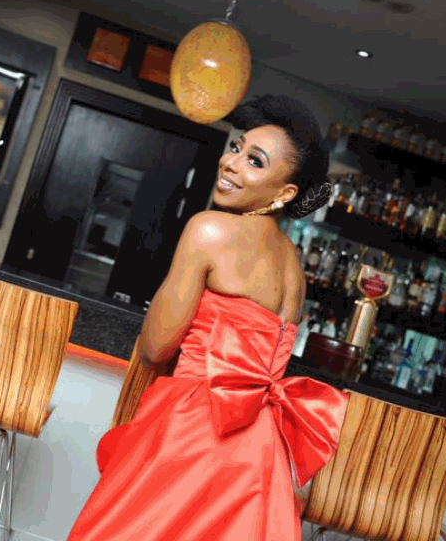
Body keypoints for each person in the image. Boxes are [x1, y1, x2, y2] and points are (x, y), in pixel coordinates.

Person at [67, 95, 350, 541]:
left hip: (194, 426)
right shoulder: (293, 266)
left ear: (285, 193)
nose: (231, 162)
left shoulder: (210, 229)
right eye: (237, 147)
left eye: (254, 161)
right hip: (258, 450)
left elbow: (155, 347)